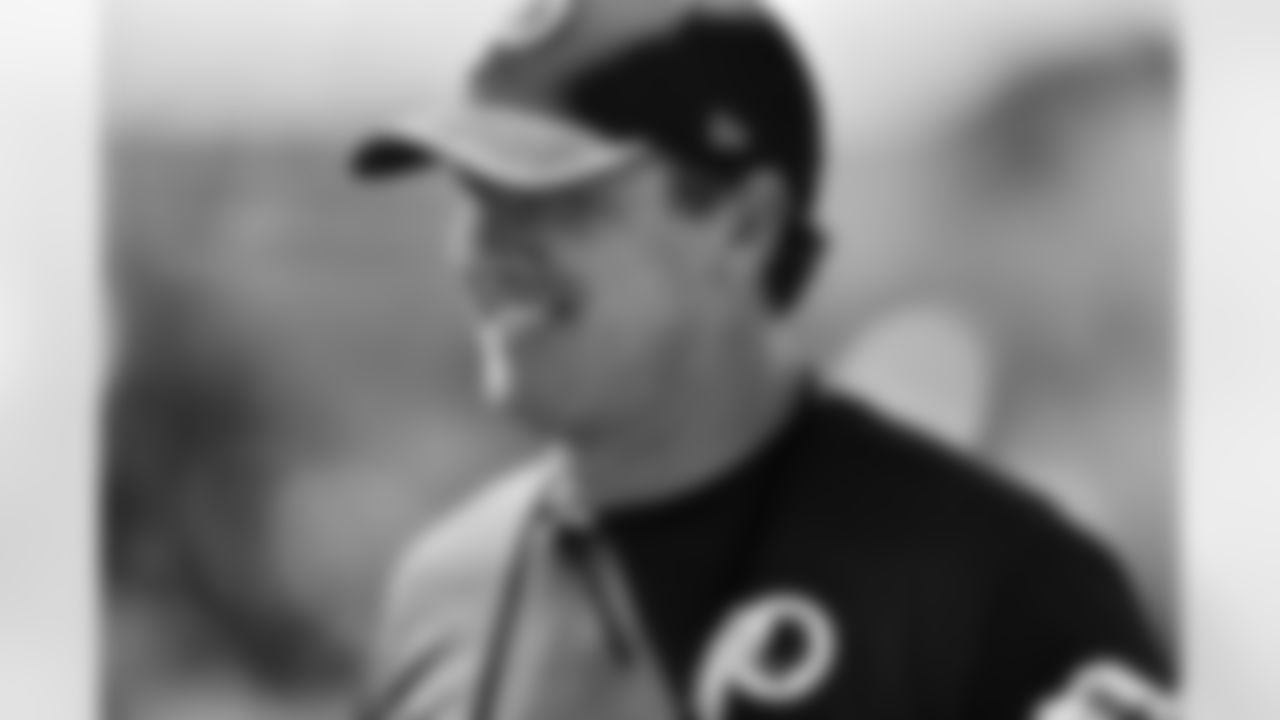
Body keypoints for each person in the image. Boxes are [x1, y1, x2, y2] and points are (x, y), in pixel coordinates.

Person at [348, 0, 1172, 718]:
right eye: (474, 193)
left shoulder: (1000, 590)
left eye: (550, 195)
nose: (488, 249)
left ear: (746, 226)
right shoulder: (439, 594)